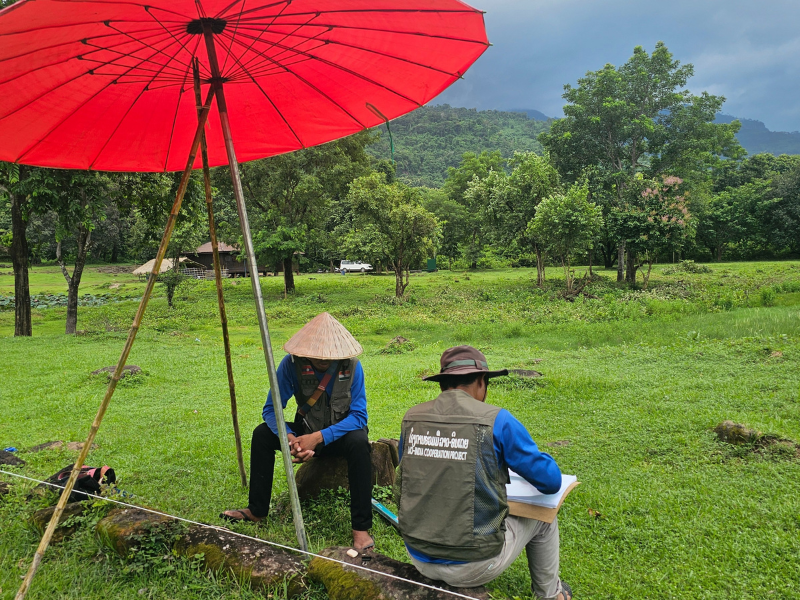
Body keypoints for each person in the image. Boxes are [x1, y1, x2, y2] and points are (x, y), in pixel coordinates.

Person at [396, 345, 572, 600]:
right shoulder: (497, 420)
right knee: (544, 518)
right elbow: (551, 481)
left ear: (442, 384)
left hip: (417, 553)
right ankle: (552, 595)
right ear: (481, 381)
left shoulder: (411, 418)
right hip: (473, 564)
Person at [221, 312, 374, 551]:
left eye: (328, 355)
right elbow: (271, 410)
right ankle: (256, 511)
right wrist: (291, 439)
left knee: (359, 442)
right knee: (262, 435)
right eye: (317, 354)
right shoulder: (291, 364)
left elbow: (359, 417)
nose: (323, 359)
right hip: (304, 431)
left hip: (339, 437)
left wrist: (318, 438)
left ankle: (361, 529)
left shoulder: (353, 366)